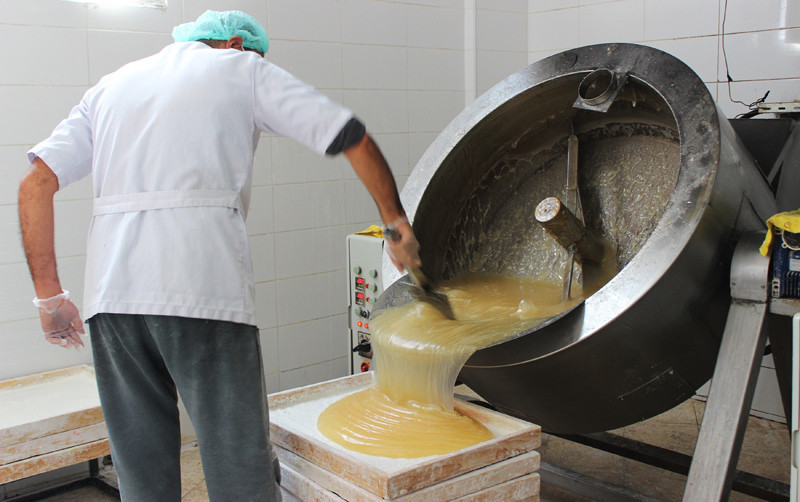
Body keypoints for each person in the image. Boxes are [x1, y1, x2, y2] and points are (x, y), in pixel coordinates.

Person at [18, 10, 421, 502]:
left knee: (141, 475)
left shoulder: (111, 86)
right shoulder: (241, 68)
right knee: (239, 470)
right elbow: (351, 135)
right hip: (202, 289)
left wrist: (49, 298)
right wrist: (396, 225)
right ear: (234, 44)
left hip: (113, 298)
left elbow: (36, 183)